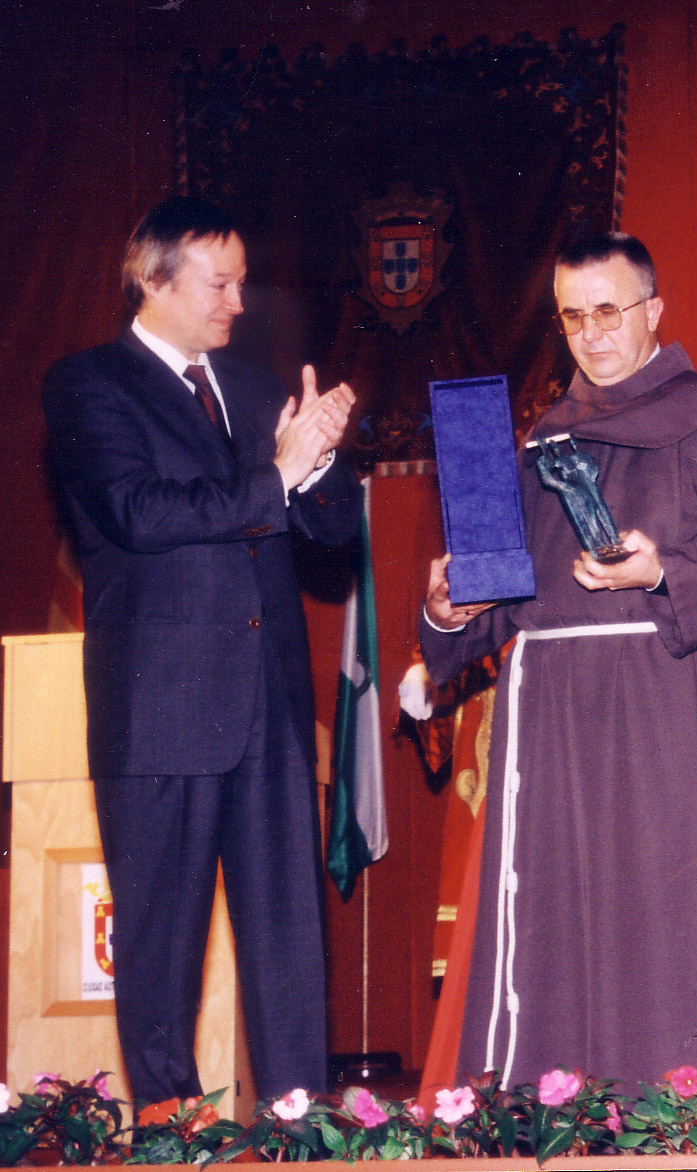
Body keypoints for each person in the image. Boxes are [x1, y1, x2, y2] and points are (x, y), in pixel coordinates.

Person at [421, 230, 697, 1091]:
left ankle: (678, 1109)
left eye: (609, 311)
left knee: (663, 910)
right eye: (573, 316)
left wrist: (663, 569)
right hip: (550, 709)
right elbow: (496, 594)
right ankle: (552, 1109)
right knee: (553, 913)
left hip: (662, 695)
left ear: (653, 311)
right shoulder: (540, 439)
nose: (592, 333)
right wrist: (446, 609)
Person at [42, 196, 360, 1104]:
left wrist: (321, 461)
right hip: (161, 712)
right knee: (159, 950)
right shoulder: (88, 384)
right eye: (219, 285)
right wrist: (277, 474)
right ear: (154, 280)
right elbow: (137, 514)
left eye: (242, 283)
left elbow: (334, 533)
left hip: (271, 712)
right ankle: (169, 1134)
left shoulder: (257, 392)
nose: (239, 303)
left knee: (290, 947)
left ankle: (301, 1130)